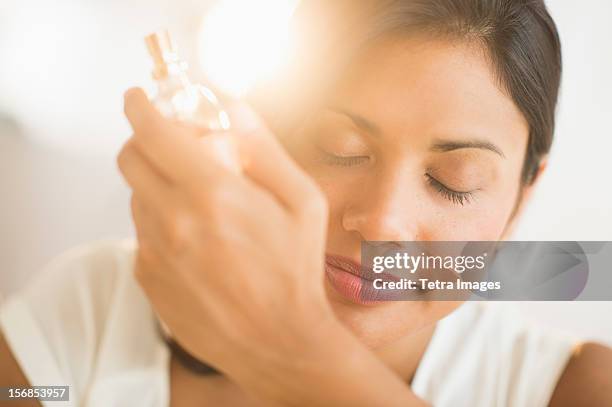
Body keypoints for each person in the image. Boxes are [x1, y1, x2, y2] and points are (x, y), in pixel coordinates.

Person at [1, 0, 611, 406]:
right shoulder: (89, 314)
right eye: (338, 147)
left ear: (518, 205)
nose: (381, 219)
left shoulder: (574, 389)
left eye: (454, 180)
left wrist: (295, 352)